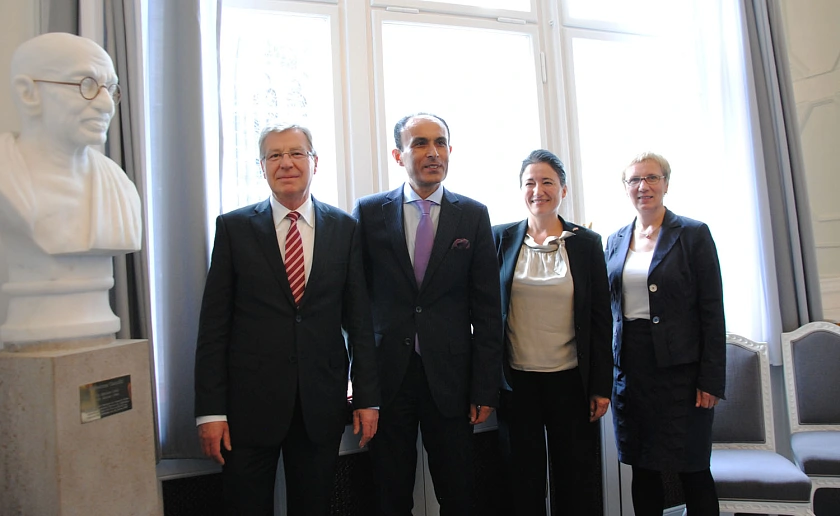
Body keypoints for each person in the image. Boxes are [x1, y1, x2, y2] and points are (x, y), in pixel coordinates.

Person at [194, 123, 380, 515]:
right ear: (262, 168)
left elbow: (359, 322)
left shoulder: (345, 229)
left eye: (296, 153)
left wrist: (368, 398)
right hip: (248, 409)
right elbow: (213, 329)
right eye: (274, 155)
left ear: (315, 162)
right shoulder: (234, 229)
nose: (286, 163)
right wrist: (210, 411)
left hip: (320, 406)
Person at [352, 113, 503, 515]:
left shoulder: (472, 214)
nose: (432, 152)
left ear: (450, 151)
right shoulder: (368, 213)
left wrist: (485, 386)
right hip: (388, 379)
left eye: (440, 143)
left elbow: (488, 309)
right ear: (397, 154)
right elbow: (355, 304)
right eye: (419, 143)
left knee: (458, 491)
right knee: (389, 492)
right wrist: (359, 379)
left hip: (451, 380)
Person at [0, 32, 141, 344]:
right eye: (86, 85)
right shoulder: (6, 182)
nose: (106, 104)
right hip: (31, 330)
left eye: (111, 89)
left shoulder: (120, 188)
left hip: (97, 328)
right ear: (28, 93)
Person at [492, 149, 612, 515]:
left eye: (547, 182)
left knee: (575, 479)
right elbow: (484, 313)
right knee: (522, 481)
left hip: (571, 382)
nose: (538, 190)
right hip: (517, 384)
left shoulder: (587, 243)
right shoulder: (500, 239)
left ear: (563, 189)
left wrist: (601, 386)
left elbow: (600, 319)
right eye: (530, 182)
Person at [605, 152, 725, 516]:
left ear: (666, 184)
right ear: (626, 188)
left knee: (693, 469)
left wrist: (710, 379)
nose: (643, 187)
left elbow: (712, 310)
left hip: (683, 375)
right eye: (634, 180)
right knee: (643, 470)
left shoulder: (693, 234)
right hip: (631, 371)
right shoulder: (614, 240)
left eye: (652, 178)